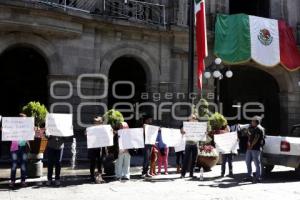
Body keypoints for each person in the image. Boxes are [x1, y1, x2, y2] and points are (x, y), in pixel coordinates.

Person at [9, 113, 30, 188]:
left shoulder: (27, 127)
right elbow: (7, 133)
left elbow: (31, 136)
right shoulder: (13, 127)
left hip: (23, 147)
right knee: (14, 165)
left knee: (23, 165)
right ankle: (12, 181)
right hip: (14, 147)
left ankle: (23, 181)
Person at [244, 116, 265, 183]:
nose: (251, 122)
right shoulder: (254, 128)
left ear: (256, 122)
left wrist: (251, 145)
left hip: (255, 148)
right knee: (247, 161)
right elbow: (251, 136)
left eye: (253, 121)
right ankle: (249, 176)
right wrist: (247, 133)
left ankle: (258, 177)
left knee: (257, 163)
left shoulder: (259, 128)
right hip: (250, 148)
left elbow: (256, 138)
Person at [87, 116, 106, 183]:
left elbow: (108, 137)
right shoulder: (90, 129)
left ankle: (99, 177)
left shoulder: (104, 129)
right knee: (92, 162)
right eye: (96, 122)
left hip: (100, 148)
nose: (97, 123)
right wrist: (86, 133)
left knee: (100, 163)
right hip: (92, 148)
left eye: (99, 122)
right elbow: (86, 134)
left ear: (101, 122)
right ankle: (92, 176)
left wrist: (111, 132)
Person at [181, 114, 199, 178]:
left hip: (195, 143)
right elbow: (182, 132)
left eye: (194, 118)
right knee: (186, 159)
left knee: (194, 160)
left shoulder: (198, 125)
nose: (193, 119)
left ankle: (191, 174)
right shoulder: (186, 125)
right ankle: (183, 174)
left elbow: (201, 132)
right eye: (191, 118)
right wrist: (183, 130)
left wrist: (204, 133)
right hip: (188, 144)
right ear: (189, 119)